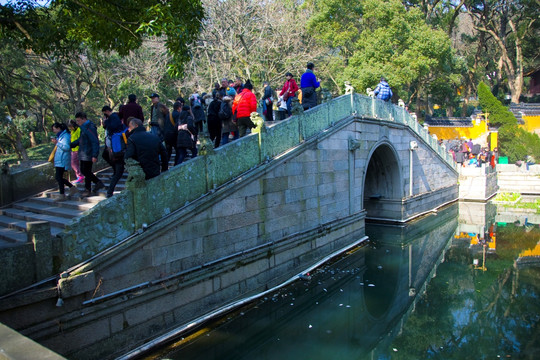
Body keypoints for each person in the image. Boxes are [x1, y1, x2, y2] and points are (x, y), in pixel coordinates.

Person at [72, 112, 105, 197]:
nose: (78, 122)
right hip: (83, 152)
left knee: (86, 171)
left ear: (83, 119)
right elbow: (81, 139)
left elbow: (94, 141)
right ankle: (97, 182)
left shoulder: (90, 127)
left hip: (88, 153)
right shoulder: (83, 128)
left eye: (79, 120)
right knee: (84, 171)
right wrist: (72, 144)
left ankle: (88, 189)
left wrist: (94, 155)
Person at [51, 122, 78, 201]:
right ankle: (71, 188)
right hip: (59, 160)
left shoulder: (65, 136)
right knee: (58, 177)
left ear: (59, 128)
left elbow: (66, 147)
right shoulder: (60, 136)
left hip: (63, 159)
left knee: (58, 177)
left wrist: (57, 143)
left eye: (54, 129)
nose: (54, 131)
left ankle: (62, 194)